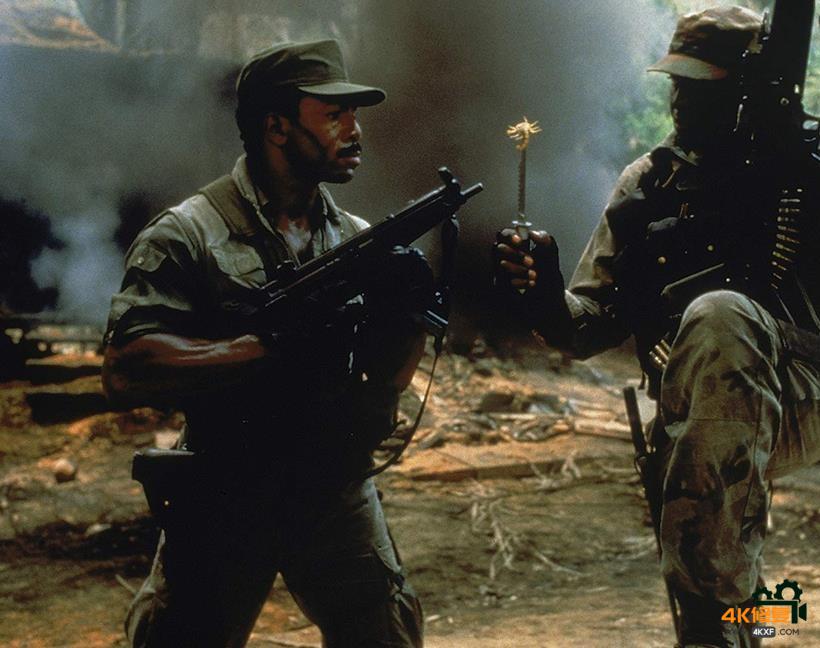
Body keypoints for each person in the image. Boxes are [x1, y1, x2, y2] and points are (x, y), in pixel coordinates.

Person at [494, 6, 820, 648]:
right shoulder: (651, 184)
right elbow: (587, 325)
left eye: (701, 86)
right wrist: (543, 297)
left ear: (746, 90)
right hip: (697, 414)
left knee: (720, 315)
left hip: (802, 396)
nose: (680, 100)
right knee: (710, 602)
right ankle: (748, 622)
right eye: (676, 82)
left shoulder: (805, 164)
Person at [103, 39, 427, 647]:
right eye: (334, 114)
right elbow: (126, 367)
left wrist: (406, 324)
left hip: (332, 485)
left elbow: (381, 376)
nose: (355, 130)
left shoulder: (355, 241)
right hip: (225, 485)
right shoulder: (188, 234)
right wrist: (262, 348)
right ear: (276, 127)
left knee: (384, 635)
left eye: (355, 114)